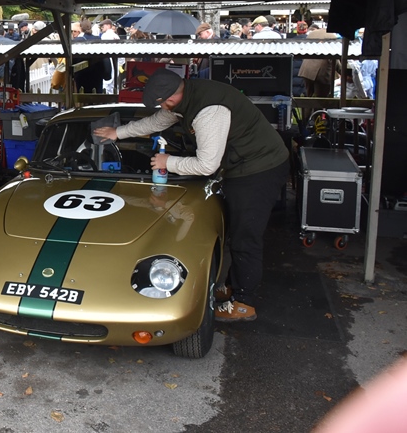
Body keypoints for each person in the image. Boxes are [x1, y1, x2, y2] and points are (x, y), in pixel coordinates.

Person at [93, 68, 289, 322]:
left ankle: (244, 303)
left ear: (174, 95)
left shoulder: (209, 111)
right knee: (238, 232)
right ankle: (233, 286)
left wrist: (167, 161)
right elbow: (157, 121)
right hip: (241, 164)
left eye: (164, 102)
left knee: (245, 237)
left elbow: (206, 165)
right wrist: (117, 133)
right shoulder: (185, 97)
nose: (163, 107)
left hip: (259, 168)